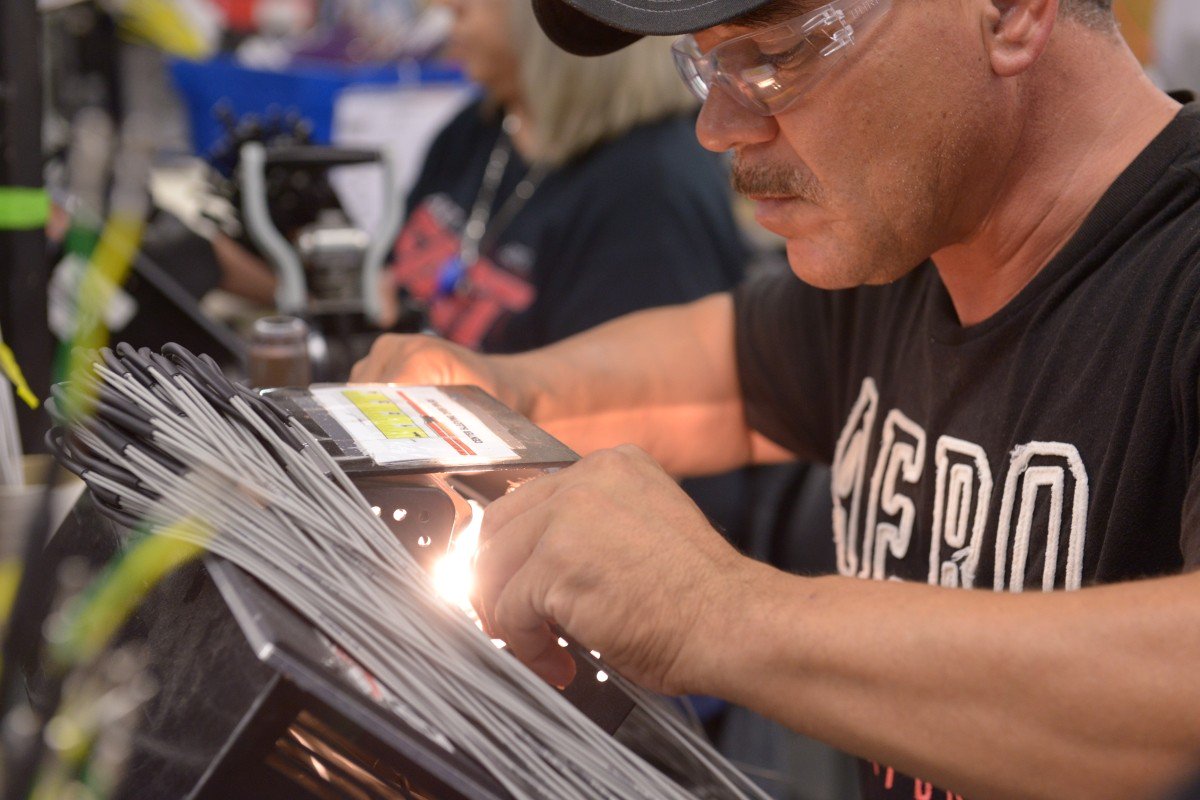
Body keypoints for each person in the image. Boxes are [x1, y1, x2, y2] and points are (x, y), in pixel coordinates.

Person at [353, 0, 1200, 797]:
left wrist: (712, 610)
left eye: (778, 57)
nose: (718, 128)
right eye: (708, 66)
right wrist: (496, 394)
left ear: (1012, 12)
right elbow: (723, 371)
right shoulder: (917, 246)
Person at [384, 0, 745, 352]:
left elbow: (632, 396)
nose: (446, 5)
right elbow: (387, 284)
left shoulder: (652, 191)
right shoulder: (480, 126)